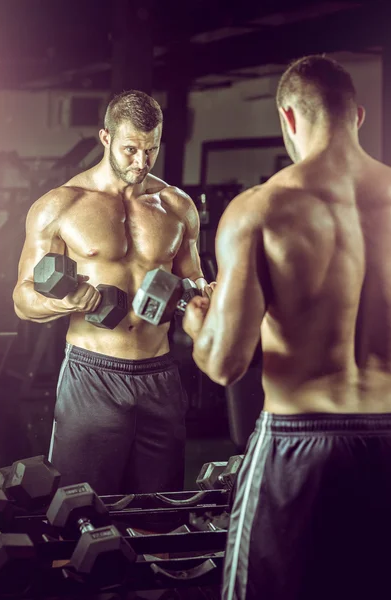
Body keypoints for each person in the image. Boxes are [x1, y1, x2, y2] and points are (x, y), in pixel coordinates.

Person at [183, 55, 391, 599]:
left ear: (289, 119)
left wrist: (196, 322)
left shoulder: (261, 209)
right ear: (359, 116)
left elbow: (225, 364)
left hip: (299, 444)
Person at [13, 90, 213, 497]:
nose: (141, 162)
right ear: (105, 138)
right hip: (92, 375)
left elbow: (194, 282)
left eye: (151, 150)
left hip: (160, 375)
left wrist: (204, 298)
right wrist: (62, 302)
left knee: (159, 511)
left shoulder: (177, 206)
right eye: (130, 150)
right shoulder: (60, 205)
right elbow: (22, 298)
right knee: (79, 510)